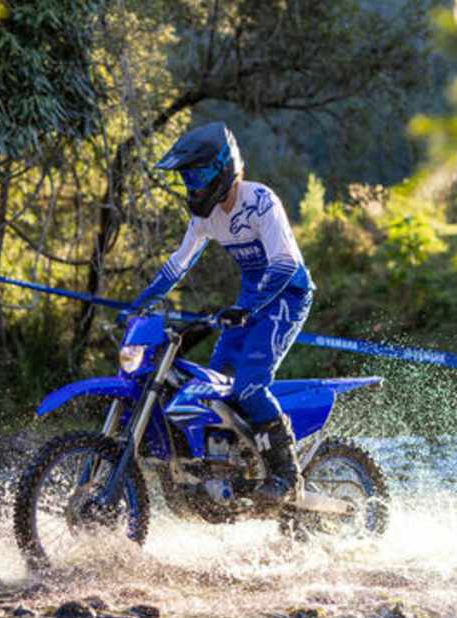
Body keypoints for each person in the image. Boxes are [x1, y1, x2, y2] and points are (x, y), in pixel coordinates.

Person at [125, 121, 315, 503]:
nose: (191, 186)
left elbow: (282, 264)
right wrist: (138, 304)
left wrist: (246, 308)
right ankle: (232, 469)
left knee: (249, 384)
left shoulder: (261, 201)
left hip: (286, 297)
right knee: (218, 387)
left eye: (196, 176)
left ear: (222, 169)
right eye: (186, 178)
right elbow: (177, 265)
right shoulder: (205, 217)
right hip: (247, 303)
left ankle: (286, 474)